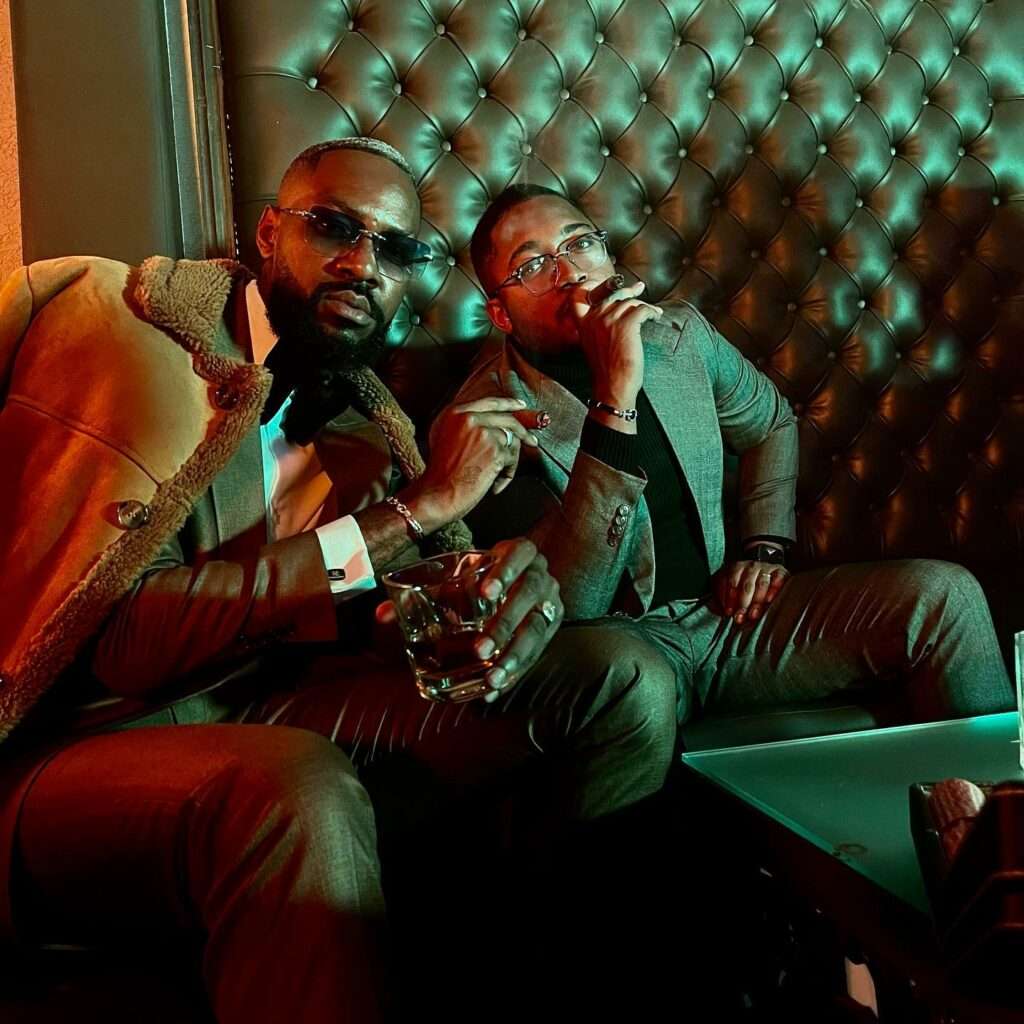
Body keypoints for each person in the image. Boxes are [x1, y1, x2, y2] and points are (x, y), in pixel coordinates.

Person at [0, 143, 677, 1023]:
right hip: (83, 742)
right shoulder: (133, 339)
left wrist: (489, 593)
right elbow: (119, 642)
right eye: (334, 228)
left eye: (396, 249)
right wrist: (416, 509)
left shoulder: (371, 423)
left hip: (270, 708)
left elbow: (373, 614)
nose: (364, 264)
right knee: (296, 783)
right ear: (269, 233)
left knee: (620, 673)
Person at [454, 183, 1014, 726]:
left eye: (580, 243)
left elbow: (771, 422)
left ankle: (987, 793)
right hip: (623, 649)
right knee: (636, 677)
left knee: (945, 596)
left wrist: (764, 548)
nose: (571, 272)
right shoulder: (487, 421)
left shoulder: (677, 336)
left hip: (728, 621)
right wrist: (614, 394)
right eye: (534, 266)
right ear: (501, 314)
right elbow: (578, 604)